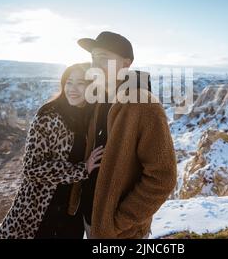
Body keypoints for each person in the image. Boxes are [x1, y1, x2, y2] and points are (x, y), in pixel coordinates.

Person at [68, 31, 177, 239]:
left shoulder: (144, 105)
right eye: (93, 58)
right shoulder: (102, 99)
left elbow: (163, 178)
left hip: (121, 232)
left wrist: (118, 222)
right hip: (92, 220)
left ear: (126, 64)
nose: (95, 65)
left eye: (103, 58)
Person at [0, 63, 103, 239]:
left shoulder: (89, 118)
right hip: (40, 208)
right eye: (69, 82)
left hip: (72, 211)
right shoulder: (48, 115)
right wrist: (82, 170)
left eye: (80, 83)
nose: (72, 89)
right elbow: (31, 168)